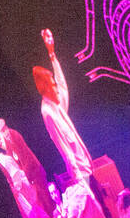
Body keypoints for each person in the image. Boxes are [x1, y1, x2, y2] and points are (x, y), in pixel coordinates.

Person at [36, 28, 94, 187]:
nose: (57, 88)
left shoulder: (55, 105)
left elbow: (62, 85)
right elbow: (65, 150)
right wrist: (81, 180)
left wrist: (51, 53)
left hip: (86, 168)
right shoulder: (48, 112)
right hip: (82, 175)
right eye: (52, 85)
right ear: (45, 88)